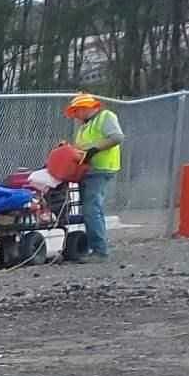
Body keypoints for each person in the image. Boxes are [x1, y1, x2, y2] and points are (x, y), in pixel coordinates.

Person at [66, 92, 124, 258]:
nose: (75, 116)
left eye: (76, 112)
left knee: (92, 209)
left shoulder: (105, 117)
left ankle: (100, 251)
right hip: (88, 170)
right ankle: (97, 247)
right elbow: (80, 148)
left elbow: (117, 137)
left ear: (84, 109)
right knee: (91, 209)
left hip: (101, 169)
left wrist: (94, 149)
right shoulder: (85, 126)